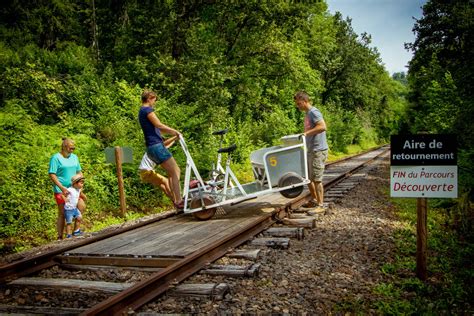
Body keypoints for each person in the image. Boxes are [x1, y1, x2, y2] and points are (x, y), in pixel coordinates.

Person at [138, 90, 184, 209]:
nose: (155, 102)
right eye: (154, 99)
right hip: (156, 147)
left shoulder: (141, 112)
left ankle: (176, 200)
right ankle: (179, 201)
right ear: (149, 98)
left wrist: (174, 136)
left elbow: (160, 130)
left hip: (151, 148)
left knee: (170, 174)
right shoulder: (147, 110)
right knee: (176, 171)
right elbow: (159, 125)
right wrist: (176, 131)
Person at [294, 91, 329, 211]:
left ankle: (320, 205)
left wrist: (306, 133)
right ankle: (314, 200)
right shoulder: (307, 114)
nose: (298, 106)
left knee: (317, 179)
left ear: (304, 101)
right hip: (311, 150)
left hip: (318, 150)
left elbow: (323, 126)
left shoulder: (314, 112)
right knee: (309, 178)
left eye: (299, 104)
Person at [49, 137, 85, 240]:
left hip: (74, 189)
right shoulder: (55, 158)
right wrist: (61, 187)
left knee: (81, 205)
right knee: (63, 213)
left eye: (74, 148)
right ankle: (60, 236)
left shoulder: (74, 157)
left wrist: (80, 183)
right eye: (71, 148)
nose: (72, 150)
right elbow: (52, 174)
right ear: (64, 146)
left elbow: (79, 171)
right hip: (61, 190)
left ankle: (76, 231)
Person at [138, 136, 179, 201]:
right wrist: (175, 137)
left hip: (142, 173)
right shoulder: (155, 150)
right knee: (166, 181)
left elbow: (166, 146)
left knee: (162, 186)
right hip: (147, 171)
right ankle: (176, 200)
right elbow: (164, 145)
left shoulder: (152, 151)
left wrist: (174, 140)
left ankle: (174, 201)